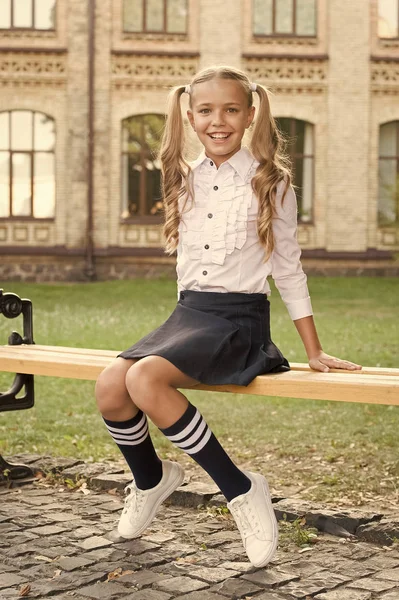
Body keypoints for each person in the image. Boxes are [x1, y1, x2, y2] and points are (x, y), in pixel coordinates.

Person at [95, 66, 361, 568]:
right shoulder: (184, 178)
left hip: (239, 322)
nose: (219, 121)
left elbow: (289, 269)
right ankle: (152, 480)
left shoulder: (271, 181)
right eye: (206, 111)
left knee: (146, 379)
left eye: (231, 110)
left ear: (250, 114)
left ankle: (242, 491)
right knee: (111, 383)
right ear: (191, 117)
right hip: (190, 314)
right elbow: (185, 266)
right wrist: (174, 326)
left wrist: (314, 350)